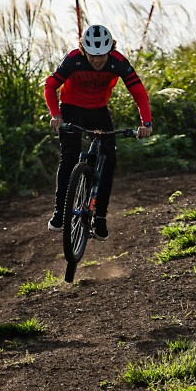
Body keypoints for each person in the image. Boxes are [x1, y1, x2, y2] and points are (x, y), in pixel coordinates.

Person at [45, 23, 153, 238]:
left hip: (98, 110)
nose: (97, 60)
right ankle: (59, 211)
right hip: (71, 108)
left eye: (102, 55)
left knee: (109, 159)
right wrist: (56, 115)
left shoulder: (118, 62)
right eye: (92, 55)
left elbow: (138, 91)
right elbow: (50, 86)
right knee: (69, 156)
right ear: (84, 51)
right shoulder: (73, 59)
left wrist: (146, 123)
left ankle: (100, 217)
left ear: (110, 50)